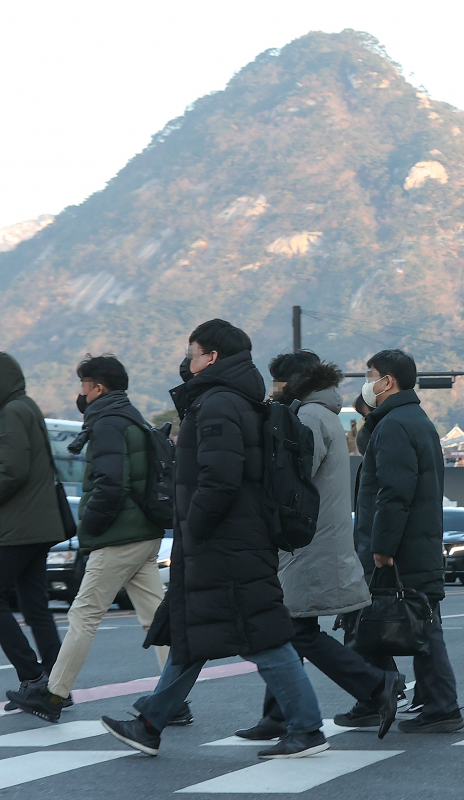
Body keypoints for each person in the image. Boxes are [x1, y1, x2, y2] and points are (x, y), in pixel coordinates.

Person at [100, 319, 327, 758]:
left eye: (193, 351)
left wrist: (195, 528)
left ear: (212, 357)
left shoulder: (219, 403)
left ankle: (307, 728)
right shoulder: (231, 399)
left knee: (263, 637)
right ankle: (150, 723)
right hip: (227, 539)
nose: (188, 359)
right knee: (193, 633)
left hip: (226, 541)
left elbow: (220, 479)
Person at [236, 351, 404, 742]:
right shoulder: (322, 414)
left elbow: (294, 478)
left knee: (294, 631)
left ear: (293, 383)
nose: (273, 391)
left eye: (277, 383)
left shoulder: (309, 418)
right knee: (291, 628)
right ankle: (277, 716)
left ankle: (376, 684)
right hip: (316, 537)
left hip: (307, 542)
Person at [7, 355, 176, 724]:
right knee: (155, 619)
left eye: (83, 385)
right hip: (144, 533)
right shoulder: (130, 416)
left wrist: (92, 528)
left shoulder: (108, 424)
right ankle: (173, 699)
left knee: (84, 614)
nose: (80, 393)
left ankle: (53, 695)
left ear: (97, 388)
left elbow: (110, 483)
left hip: (119, 537)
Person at [349, 348, 463, 733]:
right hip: (417, 545)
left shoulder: (396, 424)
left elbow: (394, 493)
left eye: (370, 374)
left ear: (388, 381)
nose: (367, 382)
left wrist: (382, 547)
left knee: (409, 624)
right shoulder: (412, 420)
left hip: (401, 549)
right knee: (416, 623)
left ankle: (436, 705)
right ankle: (419, 700)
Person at [0, 352, 65, 705]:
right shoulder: (23, 407)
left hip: (19, 525)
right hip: (36, 524)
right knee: (35, 605)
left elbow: (14, 469)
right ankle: (56, 686)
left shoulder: (13, 413)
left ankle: (33, 676)